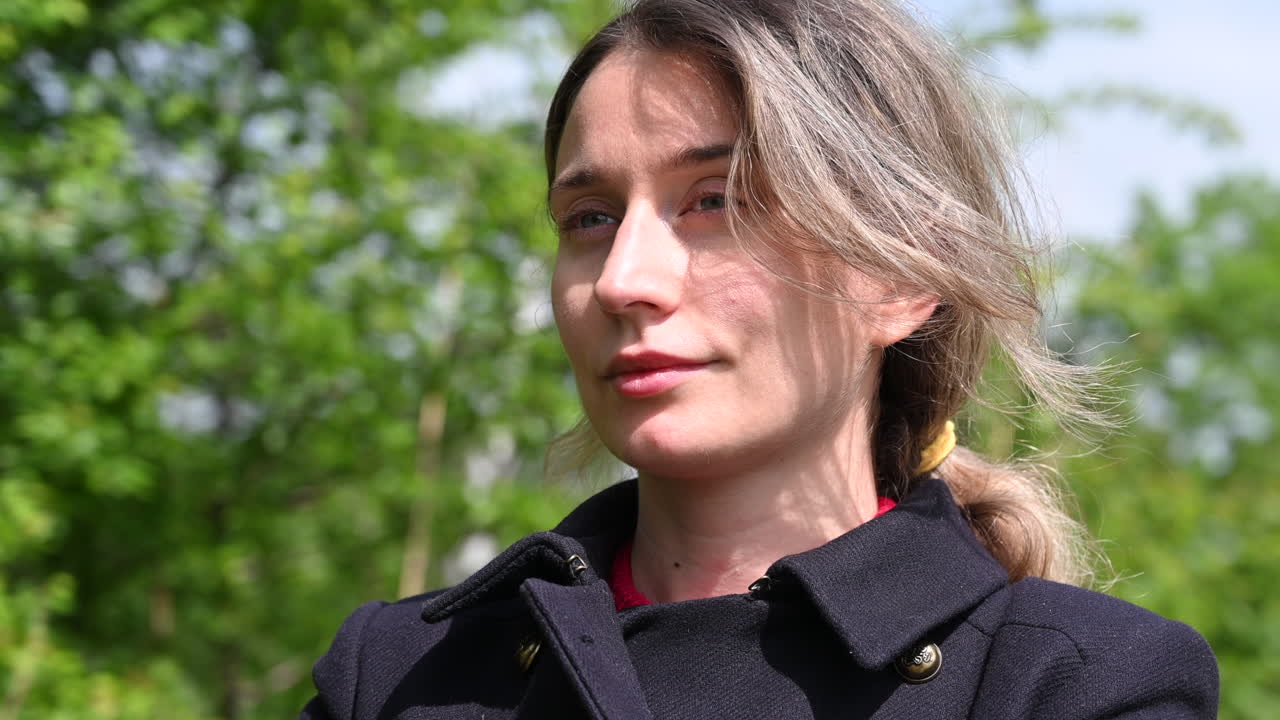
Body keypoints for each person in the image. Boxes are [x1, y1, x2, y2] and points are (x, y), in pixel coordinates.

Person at [299, 0, 1219, 717]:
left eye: (718, 200)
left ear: (901, 273)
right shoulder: (399, 674)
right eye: (590, 217)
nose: (623, 279)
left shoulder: (1073, 685)